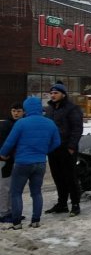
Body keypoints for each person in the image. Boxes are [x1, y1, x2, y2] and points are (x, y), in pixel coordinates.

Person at [0, 97, 60, 229]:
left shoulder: (21, 123)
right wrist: (44, 151)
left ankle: (16, 222)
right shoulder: (49, 123)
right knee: (36, 192)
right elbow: (57, 142)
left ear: (26, 109)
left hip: (22, 162)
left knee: (16, 193)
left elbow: (10, 142)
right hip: (40, 162)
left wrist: (3, 154)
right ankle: (35, 220)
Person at [44, 81, 84, 217]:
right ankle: (62, 204)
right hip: (52, 149)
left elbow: (77, 129)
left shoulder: (72, 108)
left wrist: (72, 147)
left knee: (70, 177)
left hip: (66, 149)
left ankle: (75, 204)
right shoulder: (49, 109)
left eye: (56, 93)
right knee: (58, 177)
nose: (53, 95)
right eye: (51, 93)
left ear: (63, 94)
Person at [0, 102, 24, 223]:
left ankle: (12, 211)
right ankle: (3, 213)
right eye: (14, 111)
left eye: (18, 111)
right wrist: (4, 155)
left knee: (14, 188)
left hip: (19, 160)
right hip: (6, 160)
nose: (16, 113)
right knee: (5, 187)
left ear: (23, 112)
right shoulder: (6, 124)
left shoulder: (23, 124)